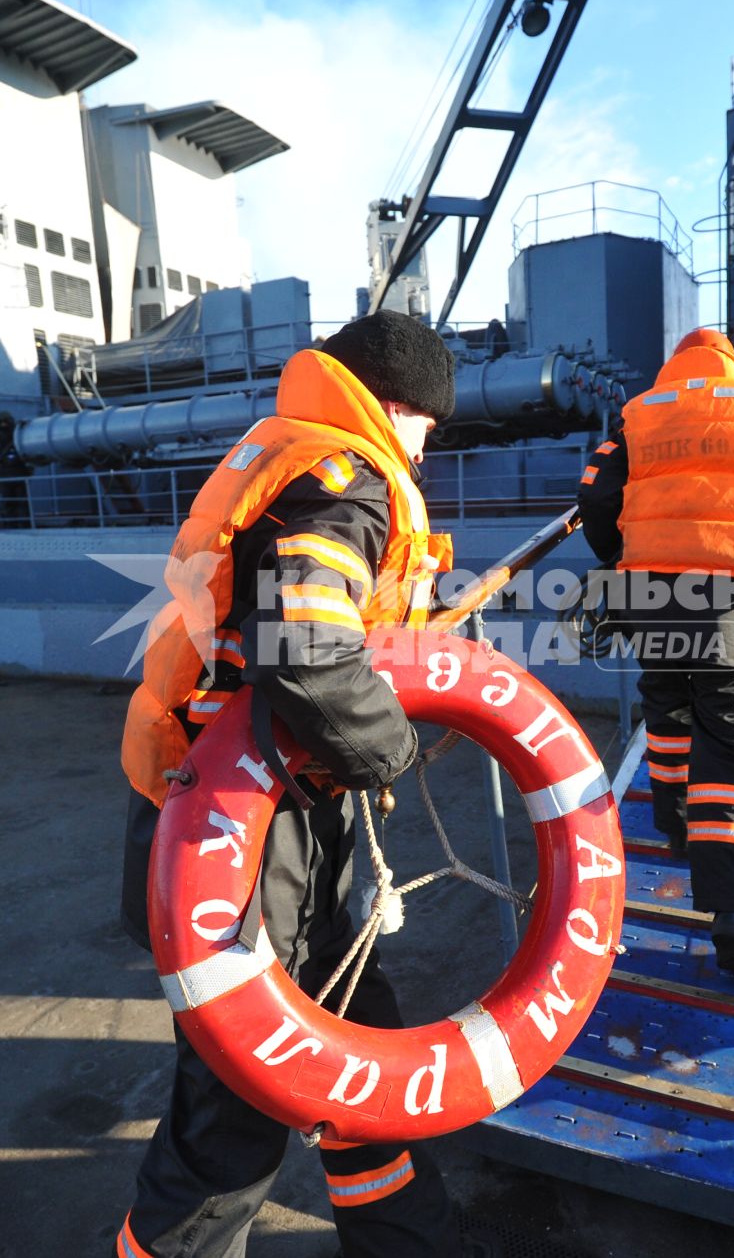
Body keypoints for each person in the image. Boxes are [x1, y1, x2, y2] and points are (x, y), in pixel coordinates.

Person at [114, 309, 460, 1258]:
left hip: (243, 809)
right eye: (430, 424)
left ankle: (406, 1239)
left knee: (355, 1029)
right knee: (243, 1091)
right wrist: (387, 748)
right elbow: (305, 648)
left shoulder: (288, 454)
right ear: (399, 405)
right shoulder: (343, 480)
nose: (429, 447)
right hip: (244, 834)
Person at [576, 327, 734, 973]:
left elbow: (595, 494)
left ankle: (677, 823)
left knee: (667, 710)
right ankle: (732, 908)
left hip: (647, 592)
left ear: (676, 362)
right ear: (728, 362)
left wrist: (619, 558)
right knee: (731, 737)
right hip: (731, 595)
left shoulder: (637, 414)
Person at [0, 410, 33, 527]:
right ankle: (12, 525)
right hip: (4, 476)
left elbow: (27, 452)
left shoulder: (20, 437)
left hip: (19, 474)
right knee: (9, 502)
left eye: (5, 422)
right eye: (1, 422)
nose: (4, 425)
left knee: (22, 502)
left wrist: (17, 459)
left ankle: (25, 524)